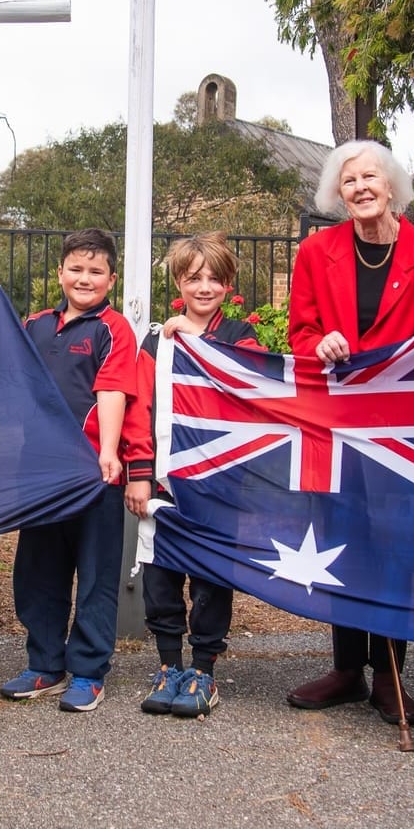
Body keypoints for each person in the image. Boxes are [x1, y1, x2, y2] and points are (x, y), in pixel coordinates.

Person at [282, 141, 414, 728]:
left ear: (392, 184)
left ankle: (390, 675)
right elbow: (300, 330)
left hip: (405, 426)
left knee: (397, 543)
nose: (359, 187)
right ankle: (347, 668)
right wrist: (318, 342)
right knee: (344, 537)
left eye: (369, 176)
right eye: (348, 180)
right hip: (337, 422)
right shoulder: (317, 250)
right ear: (337, 192)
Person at [4, 227, 154, 712]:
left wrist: (111, 453)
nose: (84, 278)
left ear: (111, 278)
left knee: (95, 575)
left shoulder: (113, 329)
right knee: (37, 571)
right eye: (76, 269)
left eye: (95, 271)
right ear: (60, 272)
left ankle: (88, 671)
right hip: (42, 478)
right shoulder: (35, 325)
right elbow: (14, 388)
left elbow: (114, 391)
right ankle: (45, 663)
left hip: (94, 476)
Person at [135, 233, 261, 718]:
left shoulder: (240, 340)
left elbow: (252, 400)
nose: (204, 287)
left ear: (228, 285)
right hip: (165, 481)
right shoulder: (158, 340)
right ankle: (170, 665)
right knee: (160, 577)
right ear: (178, 283)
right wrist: (139, 474)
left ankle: (204, 669)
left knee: (210, 579)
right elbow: (140, 409)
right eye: (193, 278)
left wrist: (196, 342)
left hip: (219, 482)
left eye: (214, 278)